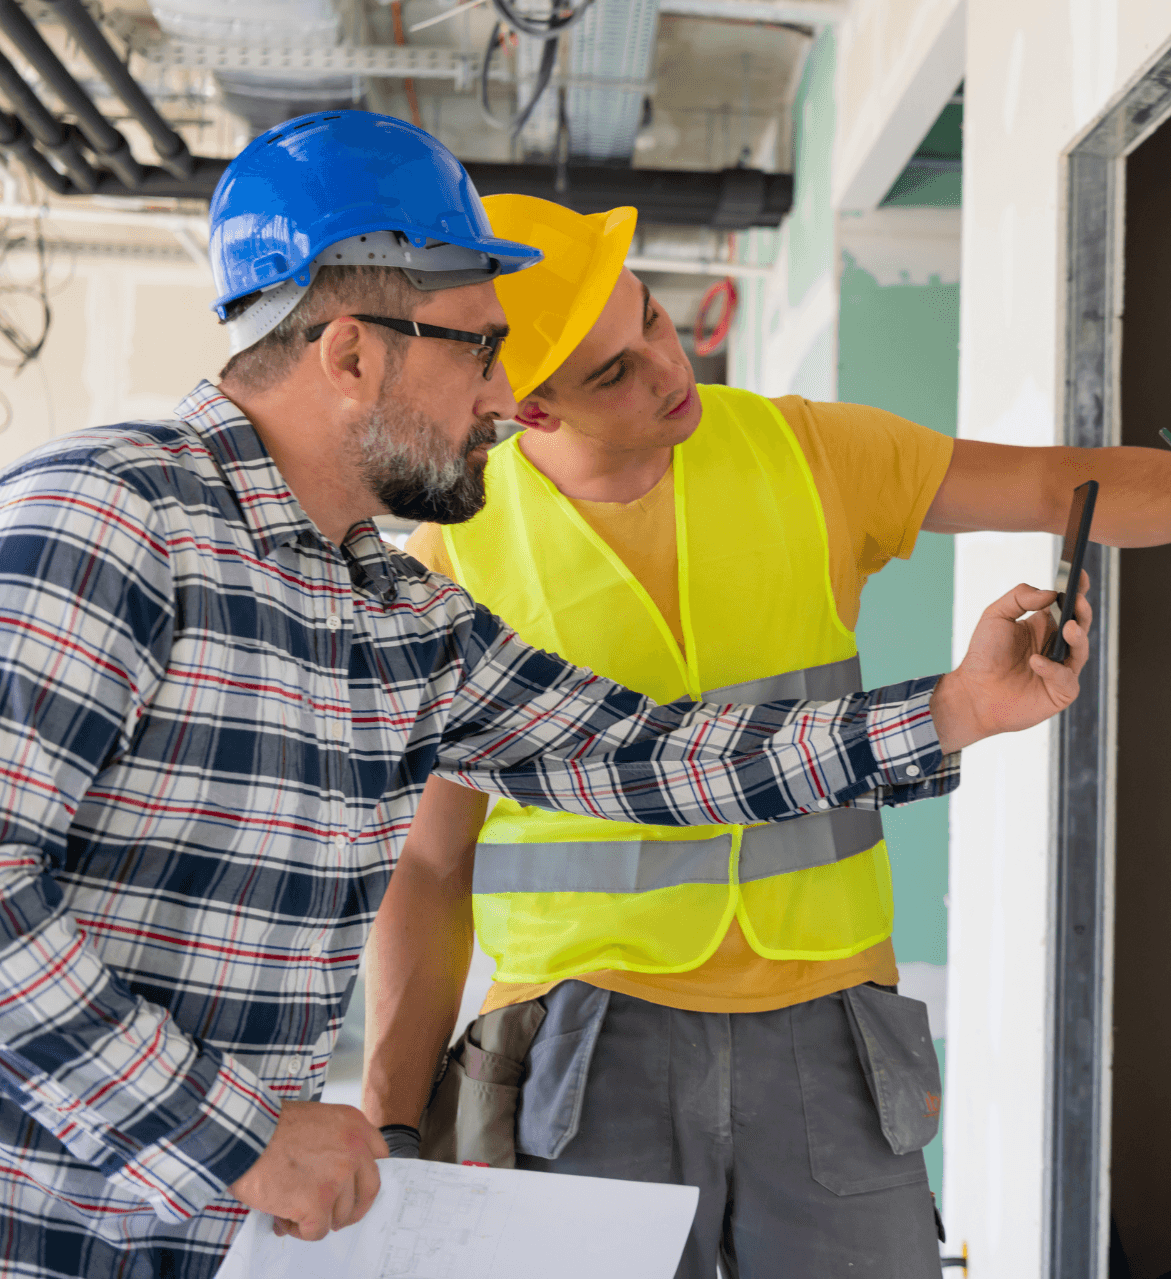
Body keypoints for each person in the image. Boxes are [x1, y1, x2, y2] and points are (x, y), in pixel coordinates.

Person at [0, 114, 1089, 1279]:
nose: (508, 395)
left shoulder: (395, 615)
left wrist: (955, 711)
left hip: (230, 1239)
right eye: (479, 349)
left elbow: (647, 758)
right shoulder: (112, 518)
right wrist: (234, 1133)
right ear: (353, 355)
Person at [359, 194, 1171, 1276]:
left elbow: (1054, 484)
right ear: (530, 412)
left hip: (829, 1031)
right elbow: (430, 864)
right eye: (613, 375)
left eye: (655, 324)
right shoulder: (454, 565)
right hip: (582, 1049)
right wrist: (392, 1116)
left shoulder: (805, 451)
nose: (669, 369)